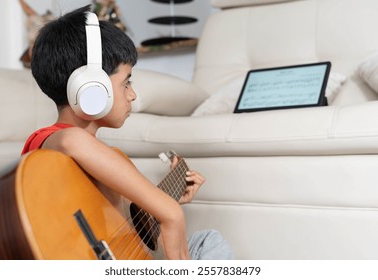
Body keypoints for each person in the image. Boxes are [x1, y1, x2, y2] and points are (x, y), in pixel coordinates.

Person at [21, 5, 232, 260]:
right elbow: (70, 140)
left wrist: (165, 201)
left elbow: (113, 227)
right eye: (126, 82)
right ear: (91, 89)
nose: (132, 94)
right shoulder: (60, 140)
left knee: (207, 240)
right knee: (210, 242)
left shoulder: (86, 151)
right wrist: (168, 210)